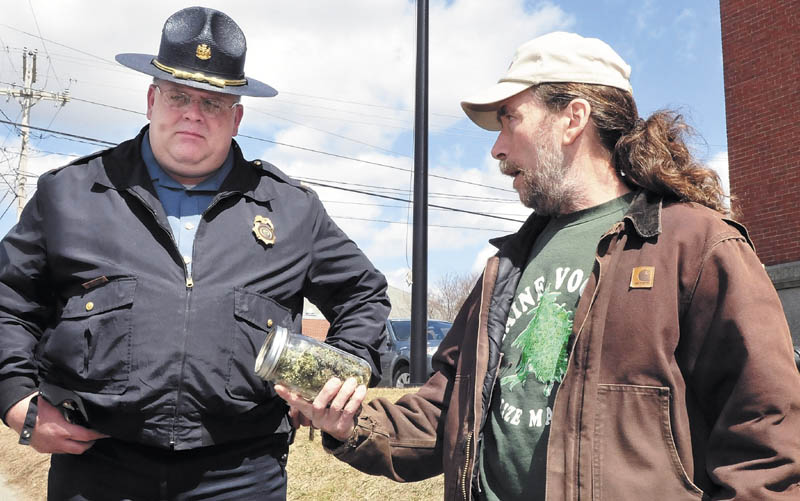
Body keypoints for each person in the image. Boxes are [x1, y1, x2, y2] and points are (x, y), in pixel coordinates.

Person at [276, 32, 800, 500]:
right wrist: (350, 422)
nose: (498, 149)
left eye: (510, 119)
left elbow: (768, 436)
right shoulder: (505, 266)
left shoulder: (697, 244)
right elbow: (444, 415)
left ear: (573, 117)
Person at [0, 6, 389, 500]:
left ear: (237, 116)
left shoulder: (292, 210)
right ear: (150, 99)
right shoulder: (70, 194)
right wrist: (16, 399)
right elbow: (8, 300)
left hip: (242, 472)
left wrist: (338, 374)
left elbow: (365, 295)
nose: (192, 113)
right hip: (98, 465)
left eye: (213, 102)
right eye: (178, 96)